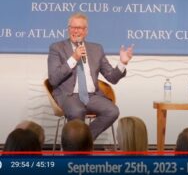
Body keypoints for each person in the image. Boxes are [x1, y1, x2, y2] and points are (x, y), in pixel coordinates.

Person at [48, 12, 133, 140]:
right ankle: (77, 148)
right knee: (77, 111)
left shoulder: (96, 49)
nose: (76, 31)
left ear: (86, 31)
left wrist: (122, 63)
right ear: (68, 29)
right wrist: (73, 59)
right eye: (72, 27)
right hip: (68, 95)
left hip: (92, 96)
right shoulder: (57, 48)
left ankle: (83, 140)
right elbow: (53, 79)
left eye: (79, 28)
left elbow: (112, 78)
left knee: (112, 111)